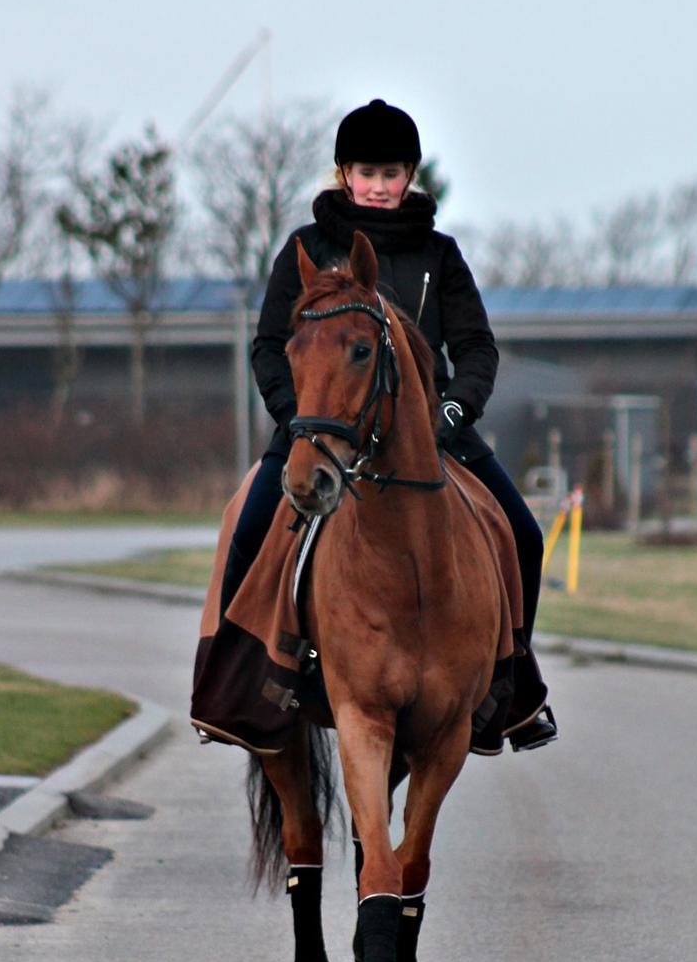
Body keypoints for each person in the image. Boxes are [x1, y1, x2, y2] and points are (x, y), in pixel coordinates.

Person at [228, 97, 556, 751]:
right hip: (319, 433)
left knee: (522, 534)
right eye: (365, 172)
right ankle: (241, 685)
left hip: (431, 438)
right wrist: (303, 422)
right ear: (342, 172)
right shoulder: (305, 247)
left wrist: (450, 413)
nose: (378, 186)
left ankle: (507, 689)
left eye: (392, 173)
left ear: (410, 175)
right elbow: (269, 347)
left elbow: (476, 350)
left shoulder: (440, 253)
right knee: (248, 537)